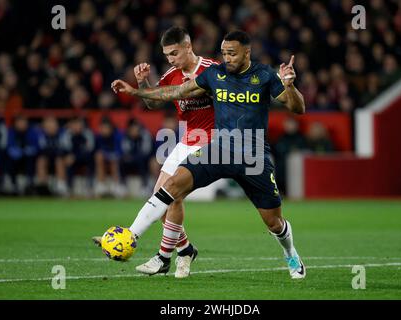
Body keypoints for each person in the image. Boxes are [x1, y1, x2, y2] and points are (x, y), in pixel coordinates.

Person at [111, 30, 306, 280]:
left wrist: (290, 85)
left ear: (247, 52)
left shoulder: (265, 75)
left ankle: (290, 253)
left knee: (274, 223)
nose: (227, 58)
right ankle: (132, 237)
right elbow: (176, 92)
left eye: (232, 53)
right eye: (224, 53)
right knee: (171, 186)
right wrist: (136, 91)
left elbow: (297, 108)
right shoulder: (215, 74)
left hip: (253, 155)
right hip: (218, 149)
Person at [95, 27, 219, 278]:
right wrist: (143, 83)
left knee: (171, 196)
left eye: (174, 53)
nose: (171, 59)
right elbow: (153, 102)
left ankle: (157, 252)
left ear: (188, 46)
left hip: (212, 142)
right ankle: (184, 250)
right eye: (167, 55)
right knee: (161, 198)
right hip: (186, 140)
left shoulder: (212, 69)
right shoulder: (172, 75)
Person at [57, 117, 95, 196]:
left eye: (78, 124)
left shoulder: (88, 134)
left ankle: (90, 187)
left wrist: (75, 156)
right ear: (71, 125)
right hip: (71, 159)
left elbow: (89, 150)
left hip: (85, 158)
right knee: (64, 160)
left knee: (91, 160)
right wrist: (69, 156)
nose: (77, 126)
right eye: (74, 124)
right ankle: (67, 187)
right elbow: (63, 149)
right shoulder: (66, 134)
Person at [93, 117, 124, 198]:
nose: (104, 130)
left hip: (117, 162)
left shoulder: (117, 137)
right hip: (102, 162)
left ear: (111, 128)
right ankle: (101, 185)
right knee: (99, 156)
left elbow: (119, 153)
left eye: (106, 128)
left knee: (113, 161)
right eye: (102, 128)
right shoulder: (98, 137)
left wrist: (107, 155)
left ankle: (116, 186)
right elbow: (93, 152)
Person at [35, 116, 63, 195]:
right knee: (41, 160)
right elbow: (41, 150)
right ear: (44, 127)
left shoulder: (62, 134)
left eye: (52, 125)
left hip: (60, 159)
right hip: (47, 159)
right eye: (48, 125)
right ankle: (43, 187)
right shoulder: (41, 136)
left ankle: (61, 187)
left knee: (59, 160)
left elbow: (64, 149)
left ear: (57, 126)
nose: (51, 127)